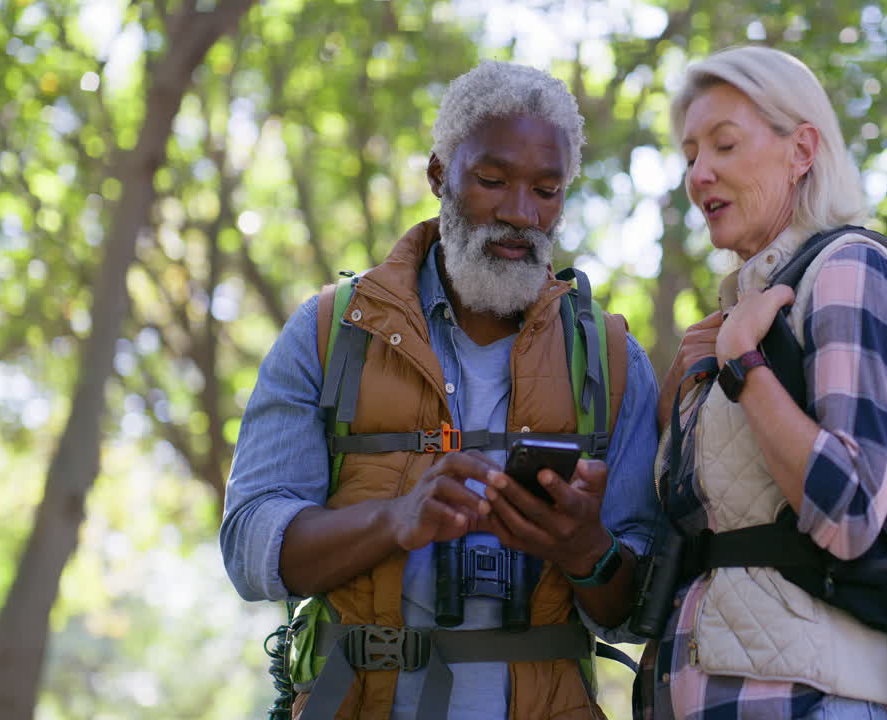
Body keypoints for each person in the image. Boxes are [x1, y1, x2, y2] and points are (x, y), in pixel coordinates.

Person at [220, 60, 660, 720]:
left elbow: (636, 613)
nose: (519, 213)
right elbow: (250, 546)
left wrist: (584, 549)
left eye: (546, 190)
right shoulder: (331, 331)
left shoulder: (614, 360)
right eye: (491, 180)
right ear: (438, 175)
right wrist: (394, 520)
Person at [640, 46, 887, 719]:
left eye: (725, 145)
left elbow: (853, 513)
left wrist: (746, 368)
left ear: (801, 150)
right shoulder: (745, 312)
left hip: (817, 701)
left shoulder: (852, 271)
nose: (699, 173)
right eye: (689, 156)